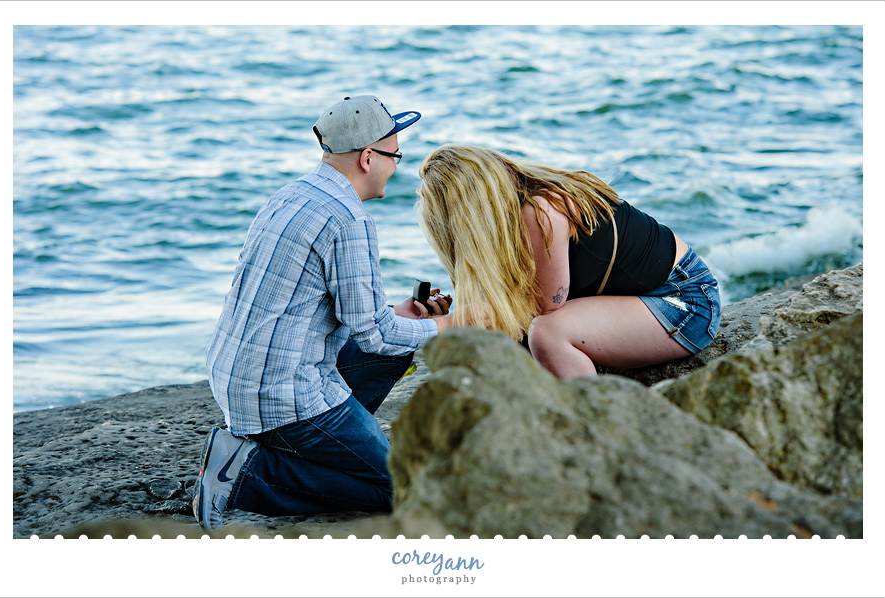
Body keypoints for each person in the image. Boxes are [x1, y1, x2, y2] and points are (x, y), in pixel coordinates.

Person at [193, 95, 453, 530]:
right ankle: (246, 475)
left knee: (398, 344)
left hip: (238, 379)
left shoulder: (293, 194)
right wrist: (450, 324)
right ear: (368, 157)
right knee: (409, 492)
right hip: (280, 397)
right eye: (395, 155)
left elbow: (338, 314)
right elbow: (375, 336)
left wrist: (403, 313)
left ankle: (327, 449)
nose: (396, 166)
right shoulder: (349, 219)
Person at [415, 143, 720, 379]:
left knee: (546, 333)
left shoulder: (540, 211)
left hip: (684, 301)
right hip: (643, 297)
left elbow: (546, 305)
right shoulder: (520, 206)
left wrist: (445, 325)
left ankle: (588, 428)